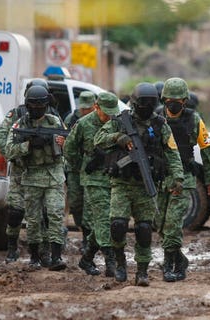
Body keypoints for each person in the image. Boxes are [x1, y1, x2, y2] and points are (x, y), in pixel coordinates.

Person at [94, 82, 184, 287]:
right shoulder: (120, 121)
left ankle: (142, 271)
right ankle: (120, 264)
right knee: (117, 225)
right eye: (142, 104)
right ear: (134, 103)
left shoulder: (160, 124)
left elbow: (172, 153)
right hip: (122, 184)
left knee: (144, 229)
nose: (146, 108)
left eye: (150, 104)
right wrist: (118, 137)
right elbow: (98, 140)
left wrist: (178, 177)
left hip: (146, 185)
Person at [156, 78, 210, 282]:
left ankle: (170, 265)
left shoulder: (194, 119)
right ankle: (180, 259)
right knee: (160, 224)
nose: (173, 103)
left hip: (184, 179)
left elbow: (208, 151)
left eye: (178, 100)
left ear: (185, 101)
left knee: (173, 224)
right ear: (164, 99)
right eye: (169, 99)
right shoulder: (155, 117)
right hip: (160, 178)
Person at [5, 85, 68, 271]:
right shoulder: (20, 125)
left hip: (53, 174)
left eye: (40, 105)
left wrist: (61, 143)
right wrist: (28, 145)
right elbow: (9, 149)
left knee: (55, 213)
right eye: (33, 105)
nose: (37, 109)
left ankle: (56, 256)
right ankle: (34, 257)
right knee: (33, 219)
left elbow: (69, 144)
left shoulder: (55, 122)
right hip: (31, 175)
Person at [0, 81, 53, 264]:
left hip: (43, 173)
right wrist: (16, 154)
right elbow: (1, 137)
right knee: (15, 212)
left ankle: (44, 251)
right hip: (21, 172)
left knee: (45, 213)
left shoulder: (51, 117)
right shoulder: (17, 115)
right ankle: (12, 247)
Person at [64, 92, 120, 277]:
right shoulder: (83, 124)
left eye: (112, 112)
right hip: (93, 179)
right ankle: (110, 261)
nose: (108, 116)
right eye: (106, 112)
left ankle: (87, 258)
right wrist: (82, 166)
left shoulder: (117, 122)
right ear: (97, 107)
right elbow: (69, 148)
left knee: (112, 220)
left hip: (114, 177)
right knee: (103, 218)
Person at [63, 91, 97, 254]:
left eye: (88, 109)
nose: (85, 112)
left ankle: (88, 238)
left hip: (93, 169)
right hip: (75, 168)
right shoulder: (72, 119)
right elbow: (66, 143)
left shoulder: (100, 120)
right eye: (83, 109)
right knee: (76, 203)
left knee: (89, 205)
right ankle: (83, 227)